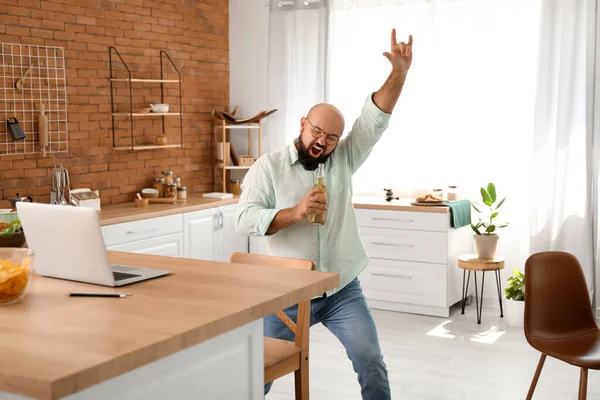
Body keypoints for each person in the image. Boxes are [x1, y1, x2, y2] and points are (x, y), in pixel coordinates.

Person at [235, 28, 412, 399]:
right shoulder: (268, 168)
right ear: (303, 124)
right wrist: (295, 212)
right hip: (287, 294)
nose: (323, 142)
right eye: (318, 132)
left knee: (371, 361)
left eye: (332, 137)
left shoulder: (344, 159)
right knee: (256, 373)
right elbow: (245, 218)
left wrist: (399, 73)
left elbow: (374, 118)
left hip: (341, 289)